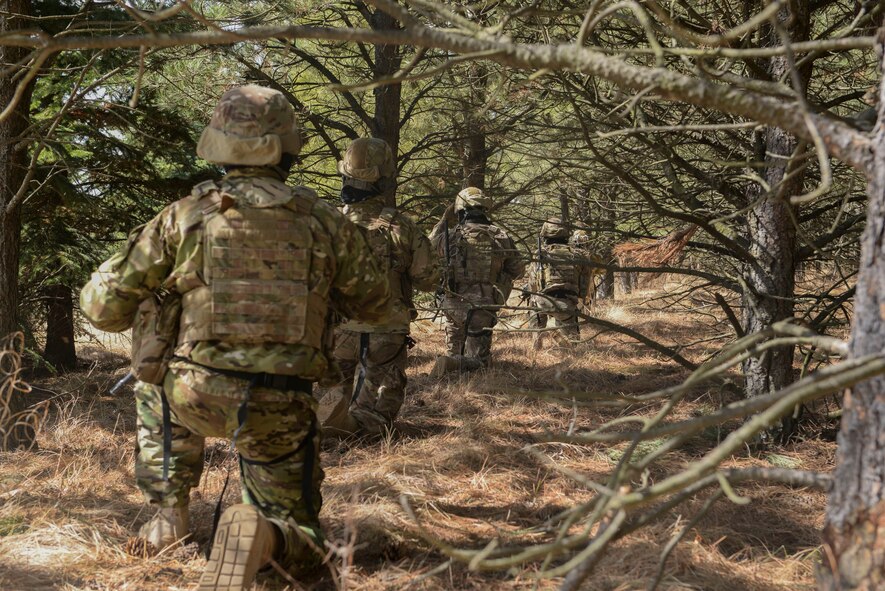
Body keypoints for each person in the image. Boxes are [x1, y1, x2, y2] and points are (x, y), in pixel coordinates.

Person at [80, 85, 391, 591]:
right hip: (279, 402)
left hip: (190, 396)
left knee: (152, 378)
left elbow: (102, 308)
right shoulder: (324, 222)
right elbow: (377, 306)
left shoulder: (182, 217)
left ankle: (167, 514)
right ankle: (265, 535)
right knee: (306, 550)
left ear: (218, 144)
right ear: (289, 147)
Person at [320, 137, 439, 436]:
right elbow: (428, 280)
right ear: (385, 178)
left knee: (330, 392)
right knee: (375, 423)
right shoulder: (403, 226)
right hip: (386, 334)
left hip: (337, 332)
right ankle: (352, 426)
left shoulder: (326, 223)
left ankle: (327, 424)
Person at [429, 187, 524, 376]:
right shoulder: (500, 236)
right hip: (483, 307)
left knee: (455, 349)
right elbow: (518, 271)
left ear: (460, 210)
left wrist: (444, 220)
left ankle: (452, 362)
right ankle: (454, 364)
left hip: (452, 304)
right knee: (480, 364)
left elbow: (426, 247)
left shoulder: (449, 236)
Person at [528, 217, 595, 349]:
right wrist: (579, 301)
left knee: (533, 303)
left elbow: (532, 285)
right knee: (572, 346)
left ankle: (536, 346)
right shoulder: (579, 255)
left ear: (545, 235)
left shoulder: (540, 254)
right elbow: (584, 286)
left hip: (542, 302)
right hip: (567, 304)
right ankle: (563, 338)